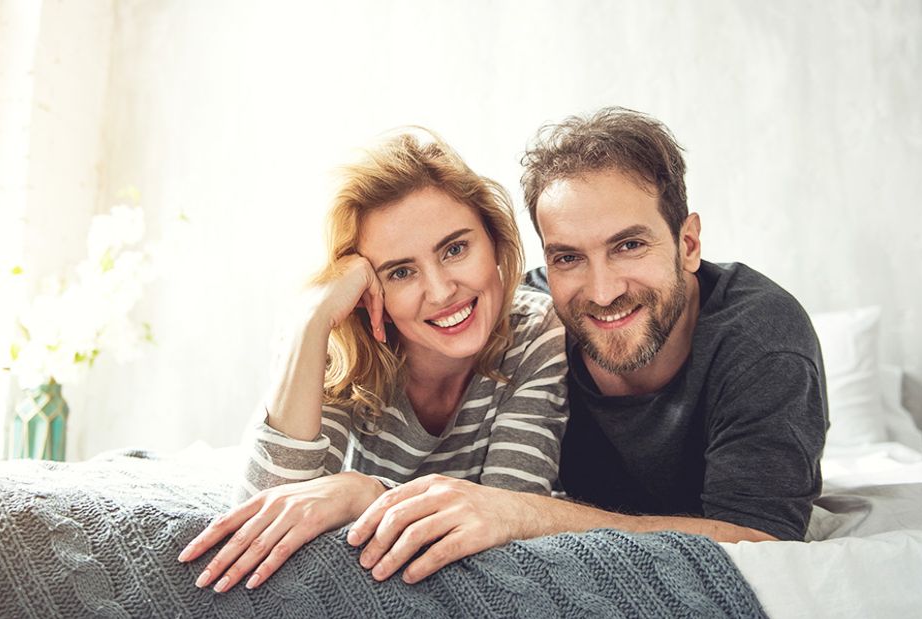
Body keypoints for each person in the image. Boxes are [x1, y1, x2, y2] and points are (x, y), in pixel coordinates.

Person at [342, 107, 828, 585]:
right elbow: (463, 494)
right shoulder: (524, 330)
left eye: (629, 246)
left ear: (688, 244)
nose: (602, 292)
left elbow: (764, 546)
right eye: (569, 257)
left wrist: (532, 516)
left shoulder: (763, 341)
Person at [177, 129, 568, 593]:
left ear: (494, 239)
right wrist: (313, 318)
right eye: (401, 272)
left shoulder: (536, 331)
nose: (442, 291)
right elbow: (264, 515)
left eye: (456, 249)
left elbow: (507, 517)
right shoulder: (347, 346)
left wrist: (363, 492)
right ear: (367, 293)